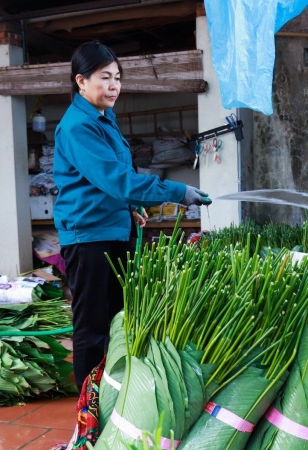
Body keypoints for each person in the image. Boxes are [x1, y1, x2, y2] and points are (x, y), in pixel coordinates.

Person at [53, 41, 211, 389]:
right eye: (104, 77)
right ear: (81, 81)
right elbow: (117, 179)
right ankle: (89, 411)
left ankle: (114, 392)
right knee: (92, 328)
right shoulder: (78, 126)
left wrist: (131, 208)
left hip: (112, 231)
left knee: (119, 319)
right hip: (89, 237)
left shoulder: (103, 119)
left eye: (118, 78)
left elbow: (109, 181)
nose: (114, 86)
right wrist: (177, 192)